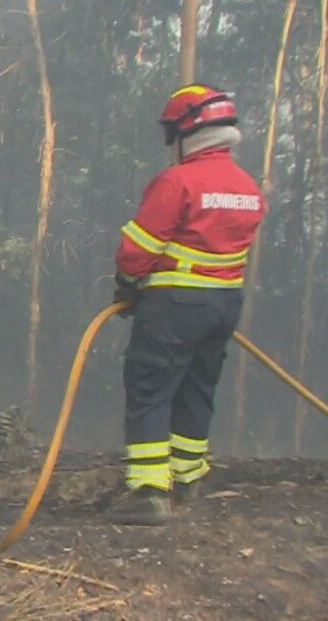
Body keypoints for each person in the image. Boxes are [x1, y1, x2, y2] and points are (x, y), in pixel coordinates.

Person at [109, 84, 266, 525]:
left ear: (187, 132)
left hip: (174, 304)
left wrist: (127, 284)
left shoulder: (178, 181)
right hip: (224, 304)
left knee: (150, 389)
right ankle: (187, 478)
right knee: (197, 388)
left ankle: (148, 492)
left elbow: (137, 249)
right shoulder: (247, 187)